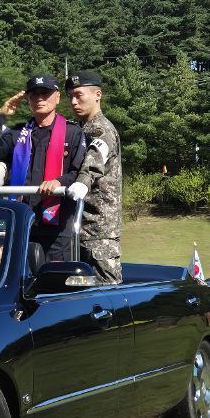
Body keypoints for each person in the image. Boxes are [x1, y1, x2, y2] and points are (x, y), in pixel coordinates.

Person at [0, 74, 86, 265]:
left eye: (45, 93)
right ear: (28, 99)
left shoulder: (73, 132)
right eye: (34, 95)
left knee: (54, 284)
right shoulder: (19, 133)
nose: (39, 99)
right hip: (22, 223)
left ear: (58, 97)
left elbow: (78, 172)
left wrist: (59, 182)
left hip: (57, 226)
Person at [65, 70, 123, 284]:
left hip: (99, 230)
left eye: (79, 95)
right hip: (75, 226)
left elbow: (94, 161)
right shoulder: (77, 129)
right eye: (70, 96)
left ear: (97, 94)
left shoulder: (102, 130)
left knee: (106, 293)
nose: (73, 101)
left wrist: (81, 183)